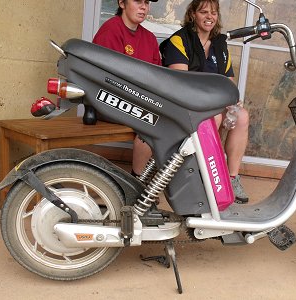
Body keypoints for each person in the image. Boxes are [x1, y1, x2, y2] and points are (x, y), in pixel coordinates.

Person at [161, 0, 250, 203]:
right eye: (204, 12)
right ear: (192, 14)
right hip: (185, 103)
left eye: (214, 13)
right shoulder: (179, 40)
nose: (210, 16)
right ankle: (205, 177)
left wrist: (233, 102)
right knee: (214, 118)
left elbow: (227, 82)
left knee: (242, 116)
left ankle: (232, 177)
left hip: (213, 104)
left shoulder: (219, 43)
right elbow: (180, 84)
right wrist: (214, 102)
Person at [92, 0, 160, 177]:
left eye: (147, 2)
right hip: (107, 100)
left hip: (139, 101)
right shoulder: (111, 29)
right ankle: (138, 182)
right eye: (138, 1)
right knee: (151, 122)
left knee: (170, 121)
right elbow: (107, 79)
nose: (144, 6)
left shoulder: (150, 38)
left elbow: (157, 79)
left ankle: (152, 179)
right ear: (122, 3)